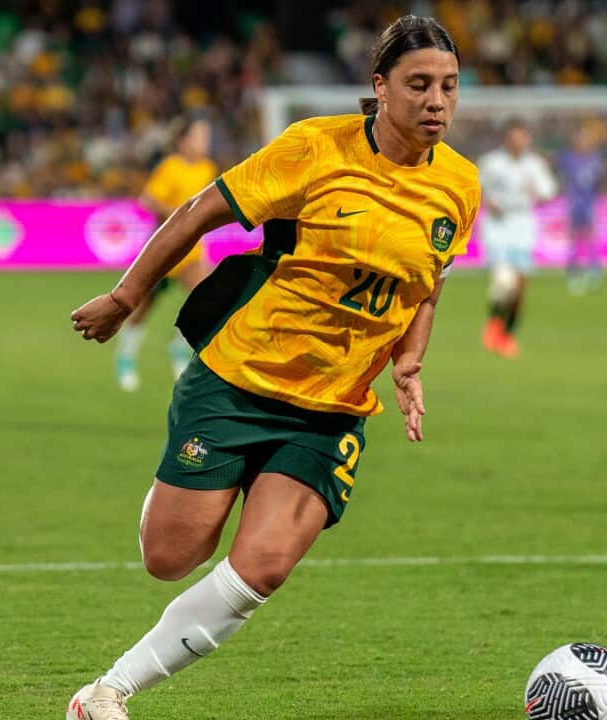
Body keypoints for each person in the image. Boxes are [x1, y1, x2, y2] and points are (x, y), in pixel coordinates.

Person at [66, 15, 479, 720]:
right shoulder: (315, 149)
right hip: (239, 380)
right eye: (418, 85)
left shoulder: (460, 187)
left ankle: (107, 692)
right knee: (170, 556)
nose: (436, 101)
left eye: (448, 86)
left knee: (263, 567)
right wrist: (127, 294)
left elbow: (428, 283)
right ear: (380, 87)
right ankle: (204, 477)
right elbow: (200, 211)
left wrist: (410, 359)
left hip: (332, 408)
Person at [114, 118, 219, 391]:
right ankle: (125, 356)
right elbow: (148, 199)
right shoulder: (171, 167)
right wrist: (180, 214)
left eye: (206, 136)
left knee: (207, 299)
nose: (204, 142)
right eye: (199, 136)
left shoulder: (208, 168)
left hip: (191, 250)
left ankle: (179, 347)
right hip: (165, 248)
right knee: (141, 308)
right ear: (183, 141)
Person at [477, 118, 557, 358]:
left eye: (523, 136)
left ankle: (506, 334)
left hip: (523, 226)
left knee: (520, 288)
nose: (520, 141)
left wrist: (539, 193)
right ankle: (493, 323)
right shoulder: (491, 163)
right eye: (515, 136)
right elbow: (474, 187)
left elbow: (548, 191)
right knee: (503, 282)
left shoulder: (534, 164)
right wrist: (487, 201)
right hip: (498, 227)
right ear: (506, 138)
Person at [558, 126, 605, 295]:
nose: (582, 143)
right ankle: (573, 272)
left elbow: (599, 182)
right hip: (573, 202)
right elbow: (562, 178)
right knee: (573, 237)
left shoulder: (595, 159)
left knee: (590, 235)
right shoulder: (567, 159)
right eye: (580, 139)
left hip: (589, 202)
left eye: (586, 139)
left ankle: (594, 271)